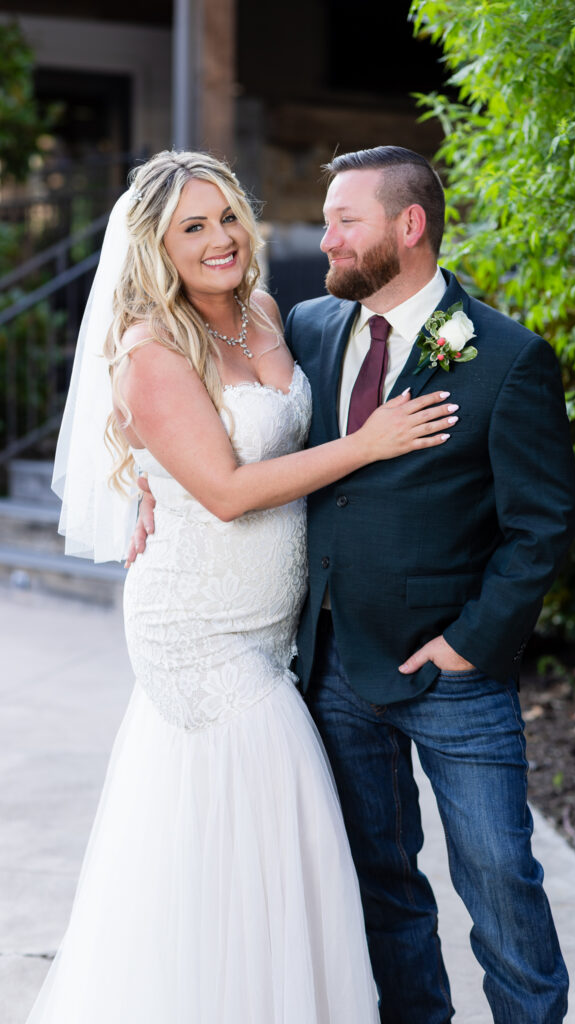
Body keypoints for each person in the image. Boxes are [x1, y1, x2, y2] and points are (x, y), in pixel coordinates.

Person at [133, 147, 575, 1023]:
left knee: (499, 882)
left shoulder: (505, 356)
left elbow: (542, 528)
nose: (323, 236)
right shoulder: (300, 327)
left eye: (345, 220)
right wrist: (142, 485)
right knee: (380, 883)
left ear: (408, 227)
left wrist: (470, 643)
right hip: (326, 665)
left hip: (452, 671)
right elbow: (186, 413)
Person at [29, 150, 457, 1024]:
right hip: (198, 633)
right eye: (194, 227)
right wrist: (369, 443)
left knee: (254, 852)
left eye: (227, 215)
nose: (221, 238)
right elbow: (223, 492)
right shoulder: (151, 350)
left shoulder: (267, 313)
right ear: (157, 246)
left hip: (274, 625)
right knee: (275, 822)